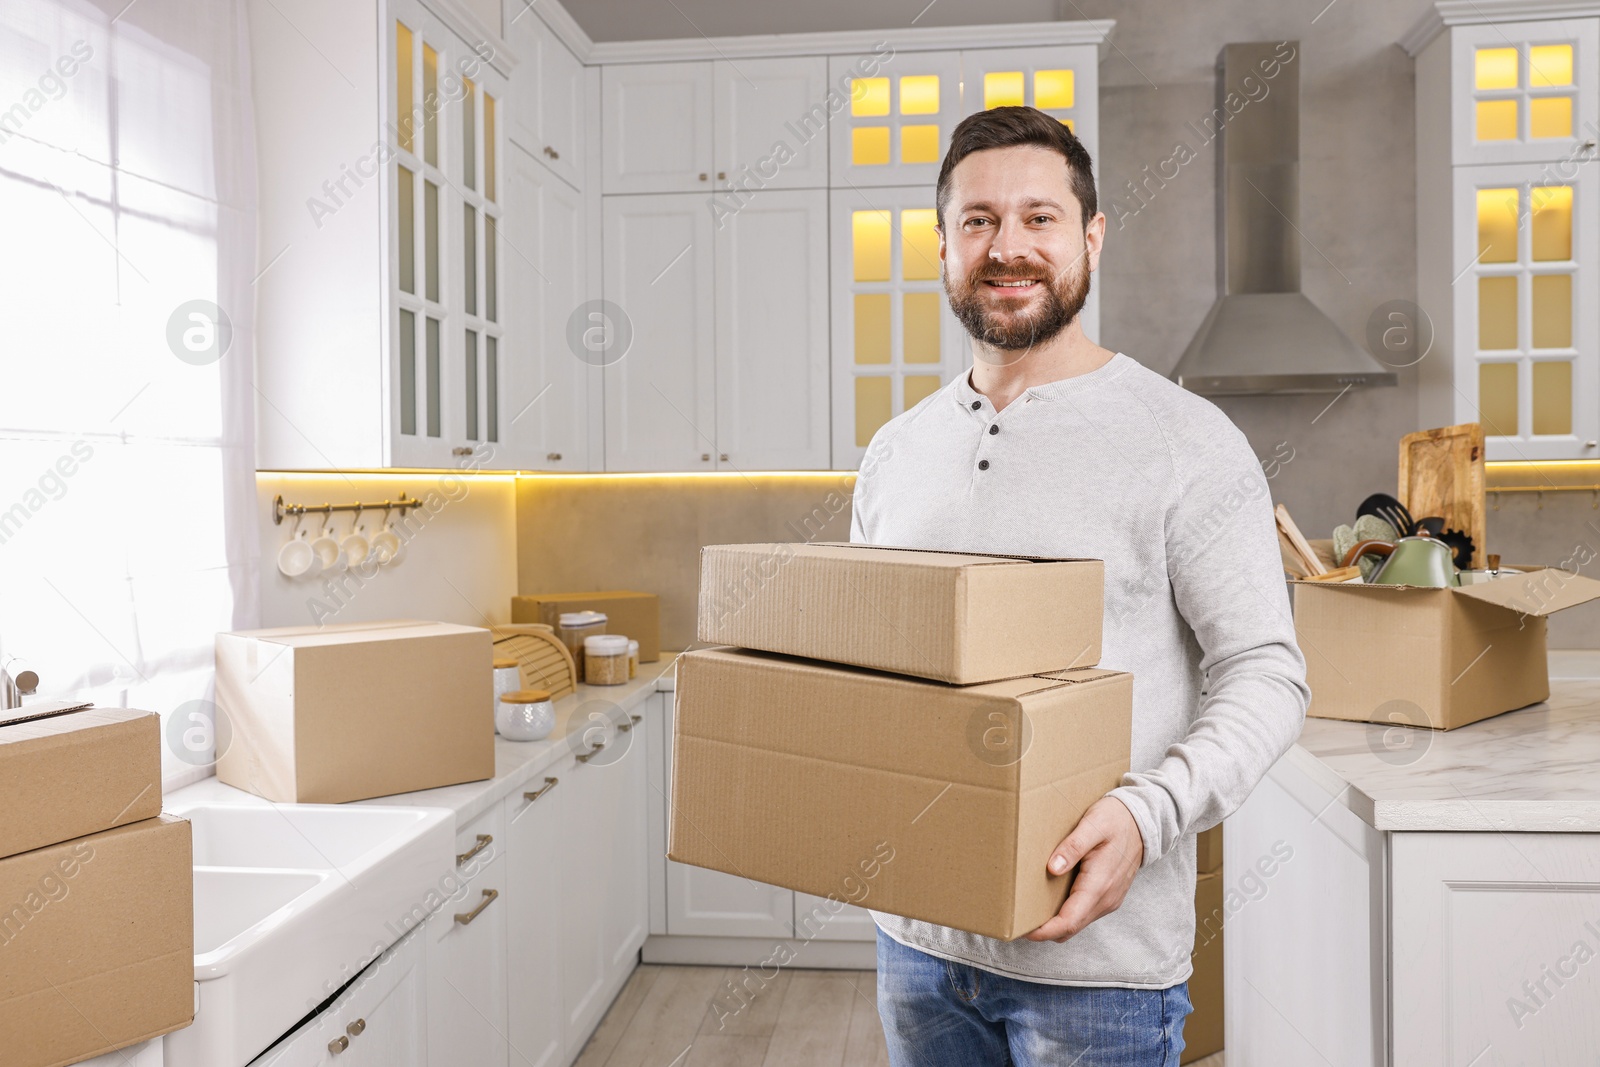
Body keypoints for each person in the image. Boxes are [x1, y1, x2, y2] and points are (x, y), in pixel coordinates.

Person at [850, 105, 1310, 1066]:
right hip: (916, 948)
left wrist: (1148, 816)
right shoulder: (896, 452)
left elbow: (1266, 673)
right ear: (942, 245)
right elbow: (873, 681)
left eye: (1039, 218)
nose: (1007, 246)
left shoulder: (1185, 440)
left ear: (1090, 237)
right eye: (977, 220)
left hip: (1099, 970)